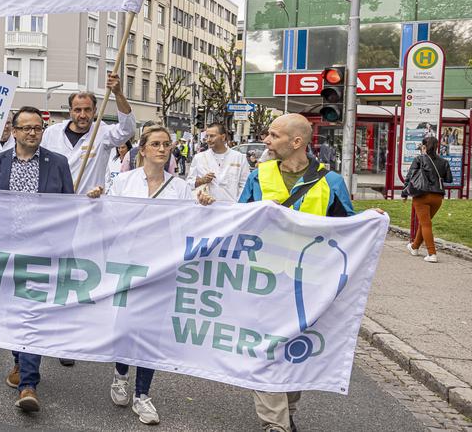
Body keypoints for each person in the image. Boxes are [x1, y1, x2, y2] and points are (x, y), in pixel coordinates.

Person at [239, 113, 375, 432]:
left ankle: (287, 409)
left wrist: (370, 220)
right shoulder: (258, 176)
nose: (267, 141)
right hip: (264, 282)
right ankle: (275, 424)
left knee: (296, 353)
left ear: (296, 142)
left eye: (273, 135)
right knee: (265, 351)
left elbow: (348, 231)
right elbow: (239, 220)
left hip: (310, 287)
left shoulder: (332, 182)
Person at [85, 126, 212, 425]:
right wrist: (96, 199)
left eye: (166, 144)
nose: (162, 149)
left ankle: (143, 395)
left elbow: (189, 224)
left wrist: (204, 207)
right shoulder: (123, 181)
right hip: (127, 263)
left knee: (151, 329)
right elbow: (107, 218)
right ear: (141, 149)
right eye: (155, 144)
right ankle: (120, 375)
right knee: (126, 323)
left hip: (161, 265)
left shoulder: (180, 187)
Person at [0, 106, 74, 413]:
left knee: (31, 314)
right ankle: (19, 361)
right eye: (27, 128)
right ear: (15, 132)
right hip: (5, 251)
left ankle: (28, 384)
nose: (33, 132)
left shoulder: (57, 163)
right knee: (12, 313)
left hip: (41, 253)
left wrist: (63, 247)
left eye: (38, 128)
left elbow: (69, 209)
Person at [40, 73, 135, 194]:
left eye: (87, 110)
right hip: (58, 205)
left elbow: (128, 129)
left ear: (95, 111)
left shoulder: (102, 133)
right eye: (77, 110)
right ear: (70, 111)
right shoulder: (52, 133)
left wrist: (118, 93)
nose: (83, 115)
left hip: (90, 205)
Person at [403, 135, 452, 263]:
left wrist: (404, 194)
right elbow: (449, 179)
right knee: (425, 223)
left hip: (421, 196)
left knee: (425, 224)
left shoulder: (419, 159)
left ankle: (432, 254)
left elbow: (409, 177)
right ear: (436, 147)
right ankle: (414, 247)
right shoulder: (444, 162)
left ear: (424, 146)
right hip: (437, 198)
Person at [187, 123, 250, 204]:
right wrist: (201, 181)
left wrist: (237, 204)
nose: (208, 140)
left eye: (212, 136)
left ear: (223, 137)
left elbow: (245, 185)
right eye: (207, 136)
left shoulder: (239, 158)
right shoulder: (199, 158)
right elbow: (188, 184)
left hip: (232, 209)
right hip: (206, 207)